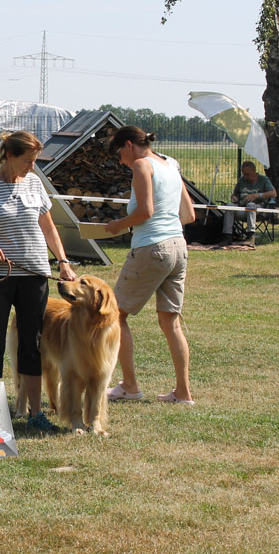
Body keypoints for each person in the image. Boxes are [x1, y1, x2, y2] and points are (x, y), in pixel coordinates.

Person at [0, 130, 77, 432]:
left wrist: (62, 261)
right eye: (28, 161)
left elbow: (48, 228)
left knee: (33, 345)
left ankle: (36, 414)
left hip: (34, 276)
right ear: (9, 155)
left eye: (35, 161)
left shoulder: (35, 183)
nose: (32, 167)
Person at [104, 126, 198, 405]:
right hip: (178, 247)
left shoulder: (142, 166)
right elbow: (189, 214)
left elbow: (145, 212)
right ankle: (183, 393)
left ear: (129, 145)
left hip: (151, 247)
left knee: (115, 315)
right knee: (171, 322)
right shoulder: (171, 164)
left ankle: (130, 386)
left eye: (121, 153)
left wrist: (116, 226)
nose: (122, 161)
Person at [221, 161, 276, 245]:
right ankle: (227, 236)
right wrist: (234, 197)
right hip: (242, 209)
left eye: (248, 174)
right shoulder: (242, 181)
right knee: (229, 206)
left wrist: (257, 195)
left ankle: (250, 235)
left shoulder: (264, 180)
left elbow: (273, 193)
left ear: (254, 171)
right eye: (244, 174)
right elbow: (235, 194)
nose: (246, 177)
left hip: (259, 210)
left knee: (251, 205)